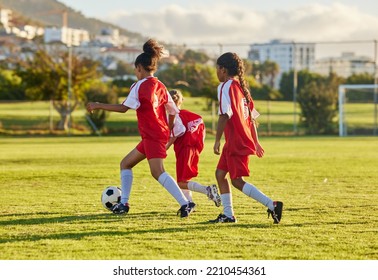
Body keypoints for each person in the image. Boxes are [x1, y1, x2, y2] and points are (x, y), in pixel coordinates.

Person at [86, 39, 195, 218]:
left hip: (152, 135)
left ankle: (186, 203)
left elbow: (123, 108)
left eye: (135, 70)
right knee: (126, 164)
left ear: (139, 68)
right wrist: (167, 129)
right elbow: (173, 110)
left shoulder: (138, 86)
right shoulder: (161, 86)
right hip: (154, 134)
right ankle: (123, 204)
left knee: (157, 172)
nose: (135, 73)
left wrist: (98, 104)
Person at [210, 52, 283, 223]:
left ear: (223, 69)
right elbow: (252, 119)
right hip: (239, 140)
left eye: (217, 69)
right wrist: (256, 141)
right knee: (220, 174)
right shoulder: (242, 90)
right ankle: (228, 214)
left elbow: (224, 115)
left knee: (237, 181)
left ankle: (272, 205)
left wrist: (217, 139)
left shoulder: (225, 87)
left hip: (235, 141)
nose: (216, 72)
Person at [166, 89, 221, 207]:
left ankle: (207, 190)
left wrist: (165, 147)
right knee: (184, 178)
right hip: (194, 149)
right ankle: (189, 202)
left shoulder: (173, 116)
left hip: (184, 149)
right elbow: (202, 130)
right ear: (182, 100)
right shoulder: (194, 116)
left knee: (181, 182)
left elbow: (178, 131)